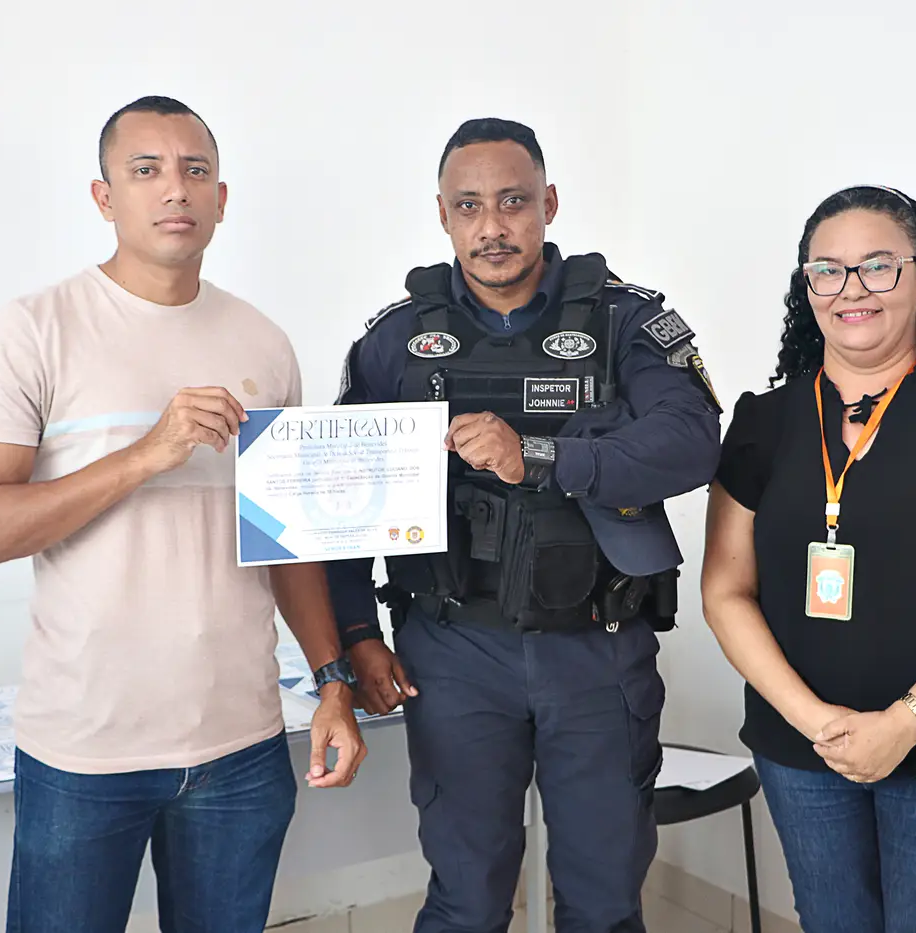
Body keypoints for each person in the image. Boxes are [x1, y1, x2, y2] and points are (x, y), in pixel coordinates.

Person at [0, 95, 365, 933]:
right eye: (146, 170)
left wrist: (332, 681)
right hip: (85, 750)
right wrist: (146, 453)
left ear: (221, 198)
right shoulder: (36, 329)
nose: (175, 188)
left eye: (195, 170)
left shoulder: (263, 342)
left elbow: (285, 543)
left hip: (240, 746)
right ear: (104, 197)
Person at [325, 118, 723, 933]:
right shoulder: (396, 341)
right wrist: (359, 634)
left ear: (550, 204)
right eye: (469, 206)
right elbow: (340, 500)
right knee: (466, 901)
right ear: (443, 215)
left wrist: (539, 455)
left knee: (604, 903)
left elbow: (691, 442)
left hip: (597, 647)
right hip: (454, 651)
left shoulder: (623, 321)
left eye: (513, 202)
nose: (492, 226)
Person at [701, 185, 916, 933]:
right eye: (827, 270)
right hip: (801, 746)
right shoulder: (763, 423)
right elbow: (725, 589)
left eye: (878, 266)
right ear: (807, 287)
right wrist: (817, 722)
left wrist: (904, 723)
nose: (851, 289)